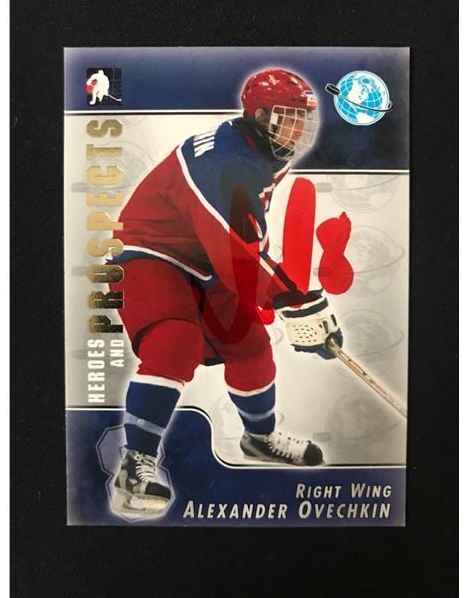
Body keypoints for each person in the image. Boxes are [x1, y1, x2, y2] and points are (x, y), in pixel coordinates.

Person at [108, 69, 344, 518]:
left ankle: (259, 439)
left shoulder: (263, 150)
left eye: (304, 119)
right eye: (289, 117)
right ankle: (133, 467)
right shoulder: (225, 162)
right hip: (148, 251)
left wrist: (289, 297)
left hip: (206, 259)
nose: (299, 130)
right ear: (259, 115)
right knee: (174, 342)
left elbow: (242, 238)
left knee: (250, 345)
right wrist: (291, 300)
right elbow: (235, 253)